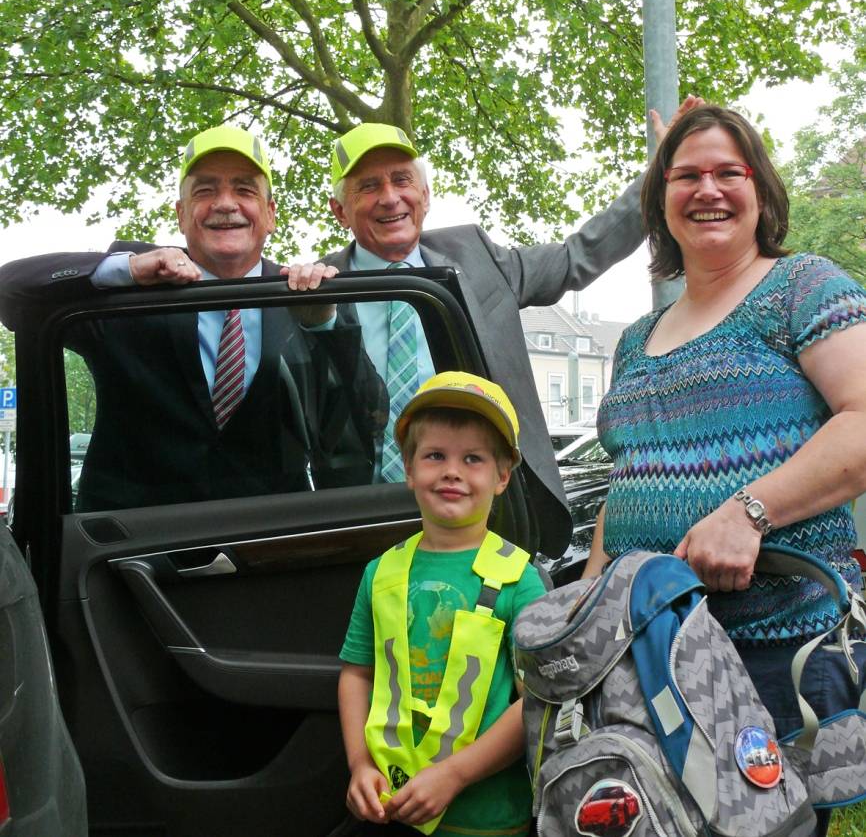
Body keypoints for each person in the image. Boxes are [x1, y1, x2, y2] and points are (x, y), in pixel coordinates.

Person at [585, 105, 866, 833]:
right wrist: (590, 613)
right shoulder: (636, 340)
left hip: (772, 652)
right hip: (650, 653)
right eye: (686, 175)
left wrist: (747, 512)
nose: (707, 188)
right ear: (660, 201)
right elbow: (627, 484)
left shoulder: (801, 286)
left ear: (761, 193)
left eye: (727, 172)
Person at [287, 104, 700, 552]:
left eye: (402, 180)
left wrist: (660, 169)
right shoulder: (314, 288)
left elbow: (578, 255)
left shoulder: (478, 258)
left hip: (492, 518)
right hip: (363, 523)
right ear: (339, 210)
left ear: (425, 195)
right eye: (369, 186)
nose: (390, 197)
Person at [0, 125, 386, 509]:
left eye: (244, 189)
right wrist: (127, 271)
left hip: (268, 538)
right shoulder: (131, 290)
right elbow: (11, 291)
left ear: (270, 215)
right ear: (182, 215)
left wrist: (322, 323)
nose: (225, 204)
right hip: (134, 544)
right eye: (205, 191)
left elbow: (370, 414)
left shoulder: (305, 293)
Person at [337, 372, 546, 836]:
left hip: (488, 816)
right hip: (393, 808)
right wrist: (359, 764)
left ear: (501, 477)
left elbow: (536, 697)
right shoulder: (381, 573)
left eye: (472, 458)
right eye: (435, 455)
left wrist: (456, 773)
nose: (452, 470)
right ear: (409, 470)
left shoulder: (520, 579)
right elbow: (357, 673)